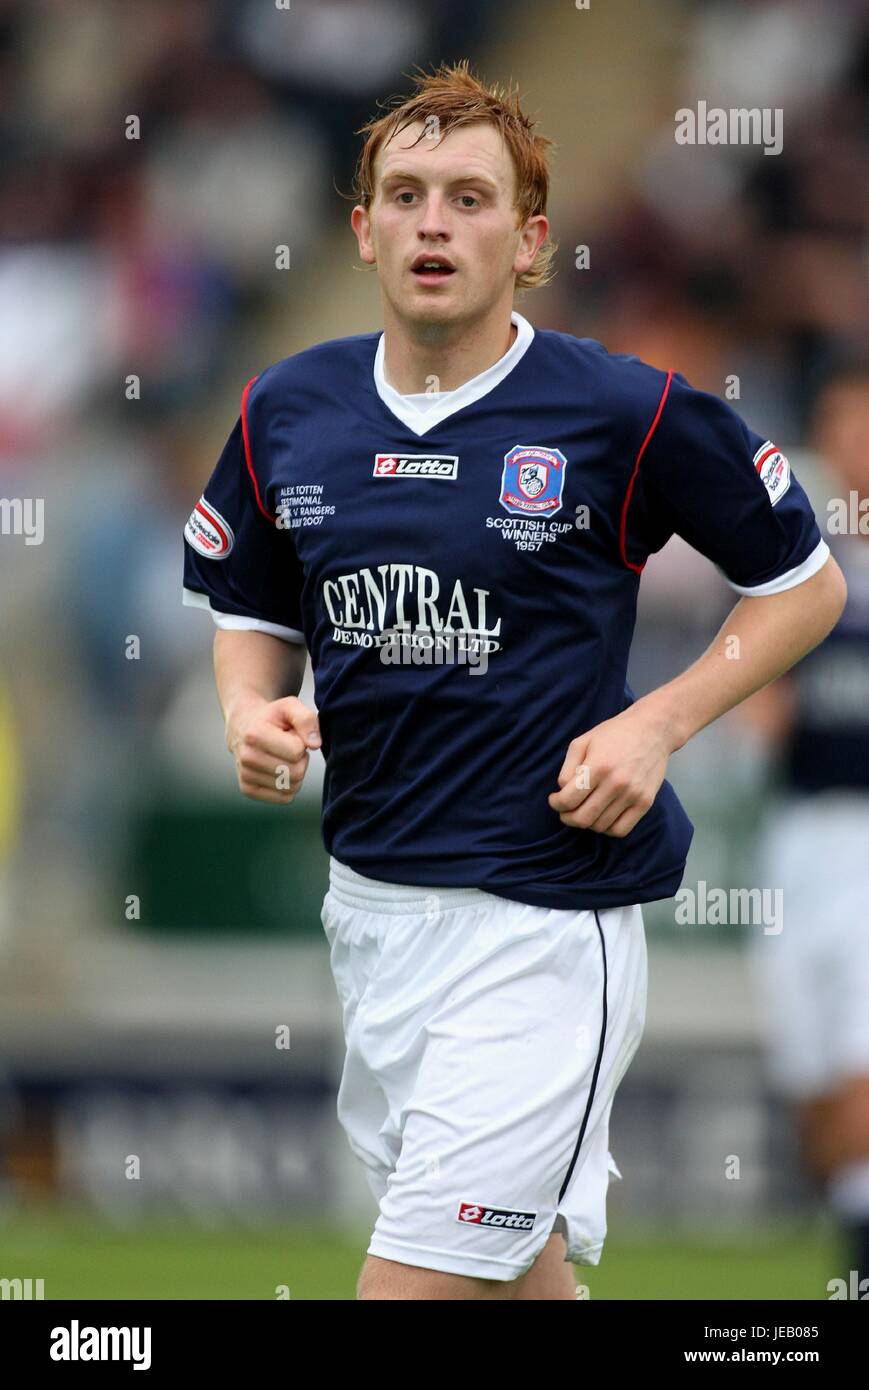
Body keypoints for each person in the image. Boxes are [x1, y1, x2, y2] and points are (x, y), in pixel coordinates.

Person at [181, 61, 846, 1300]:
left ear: (528, 238)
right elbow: (247, 607)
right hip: (370, 919)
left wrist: (655, 724)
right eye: (407, 193)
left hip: (538, 932)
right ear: (362, 227)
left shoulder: (620, 410)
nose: (434, 221)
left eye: (470, 198)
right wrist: (243, 706)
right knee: (521, 1283)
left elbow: (803, 583)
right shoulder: (288, 407)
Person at [740, 360, 869, 1293]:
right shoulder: (796, 559)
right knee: (812, 1077)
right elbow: (754, 702)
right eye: (843, 425)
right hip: (797, 842)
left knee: (863, 1069)